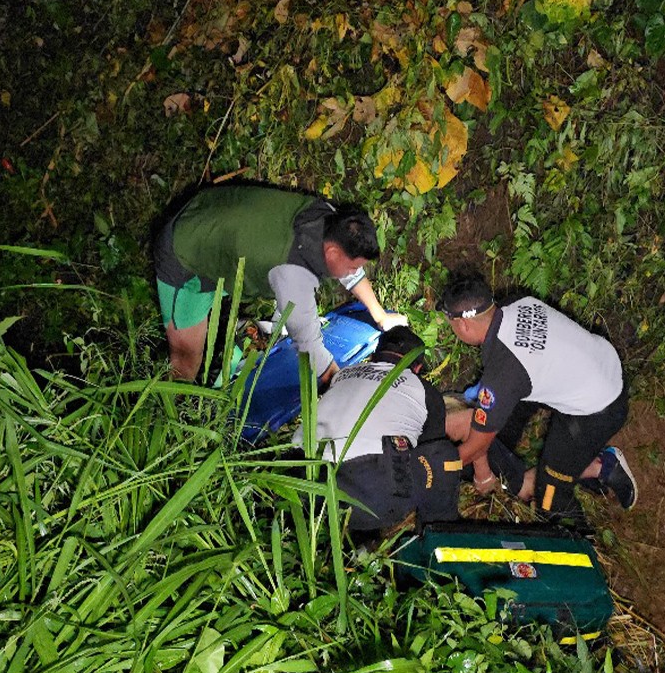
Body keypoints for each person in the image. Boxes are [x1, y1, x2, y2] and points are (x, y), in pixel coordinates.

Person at [153, 183, 406, 381]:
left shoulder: (329, 218)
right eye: (354, 265)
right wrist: (339, 384)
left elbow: (349, 270)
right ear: (332, 254)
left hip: (217, 222)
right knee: (186, 358)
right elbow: (309, 346)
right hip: (186, 255)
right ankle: (170, 420)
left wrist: (379, 315)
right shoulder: (293, 276)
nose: (355, 271)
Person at [439, 272, 638, 518]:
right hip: (599, 364)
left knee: (550, 495)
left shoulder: (504, 374)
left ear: (464, 325)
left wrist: (438, 467)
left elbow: (476, 445)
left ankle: (600, 474)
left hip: (597, 410)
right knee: (503, 424)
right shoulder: (517, 303)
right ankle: (566, 467)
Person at [291, 326, 462, 534]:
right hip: (368, 499)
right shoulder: (424, 390)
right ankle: (437, 534)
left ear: (374, 356)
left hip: (299, 480)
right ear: (416, 368)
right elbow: (430, 448)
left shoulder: (342, 374)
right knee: (443, 456)